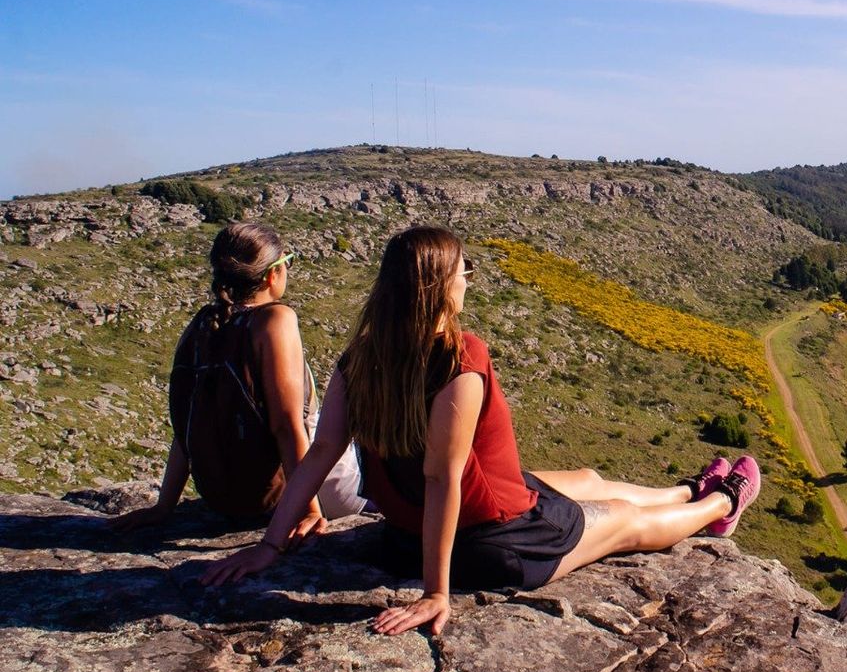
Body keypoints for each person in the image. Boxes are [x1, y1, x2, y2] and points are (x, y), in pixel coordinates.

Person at [201, 226, 759, 637]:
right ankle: (721, 504)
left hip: (405, 537)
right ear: (443, 285)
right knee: (627, 522)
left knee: (586, 477)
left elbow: (322, 452)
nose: (469, 280)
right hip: (494, 544)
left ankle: (689, 487)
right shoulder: (460, 359)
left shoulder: (360, 359)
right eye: (465, 271)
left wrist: (269, 547)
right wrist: (436, 593)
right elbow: (442, 479)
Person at [111, 222, 367, 536]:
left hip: (227, 501)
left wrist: (166, 506)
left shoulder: (203, 325)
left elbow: (186, 423)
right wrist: (308, 510)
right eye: (287, 262)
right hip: (312, 489)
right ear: (272, 274)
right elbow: (287, 427)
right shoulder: (275, 320)